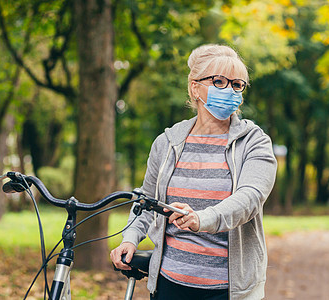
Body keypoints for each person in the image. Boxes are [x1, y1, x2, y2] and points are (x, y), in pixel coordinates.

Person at [110, 44, 277, 300]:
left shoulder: (254, 141)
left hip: (226, 290)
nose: (229, 90)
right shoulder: (167, 142)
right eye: (219, 81)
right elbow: (146, 199)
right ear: (195, 87)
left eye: (237, 84)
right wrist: (130, 238)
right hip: (169, 283)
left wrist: (202, 219)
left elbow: (251, 197)